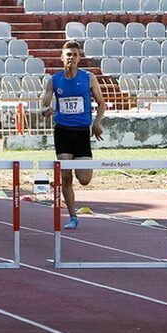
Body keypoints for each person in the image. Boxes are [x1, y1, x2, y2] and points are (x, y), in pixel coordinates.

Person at [39, 40, 106, 230]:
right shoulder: (53, 80)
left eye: (75, 55)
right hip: (63, 131)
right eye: (68, 55)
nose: (72, 58)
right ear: (62, 57)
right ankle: (73, 216)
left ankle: (76, 170)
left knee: (84, 179)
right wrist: (45, 111)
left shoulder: (88, 78)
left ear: (79, 58)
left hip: (82, 132)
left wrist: (97, 122)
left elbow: (101, 103)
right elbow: (43, 105)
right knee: (66, 177)